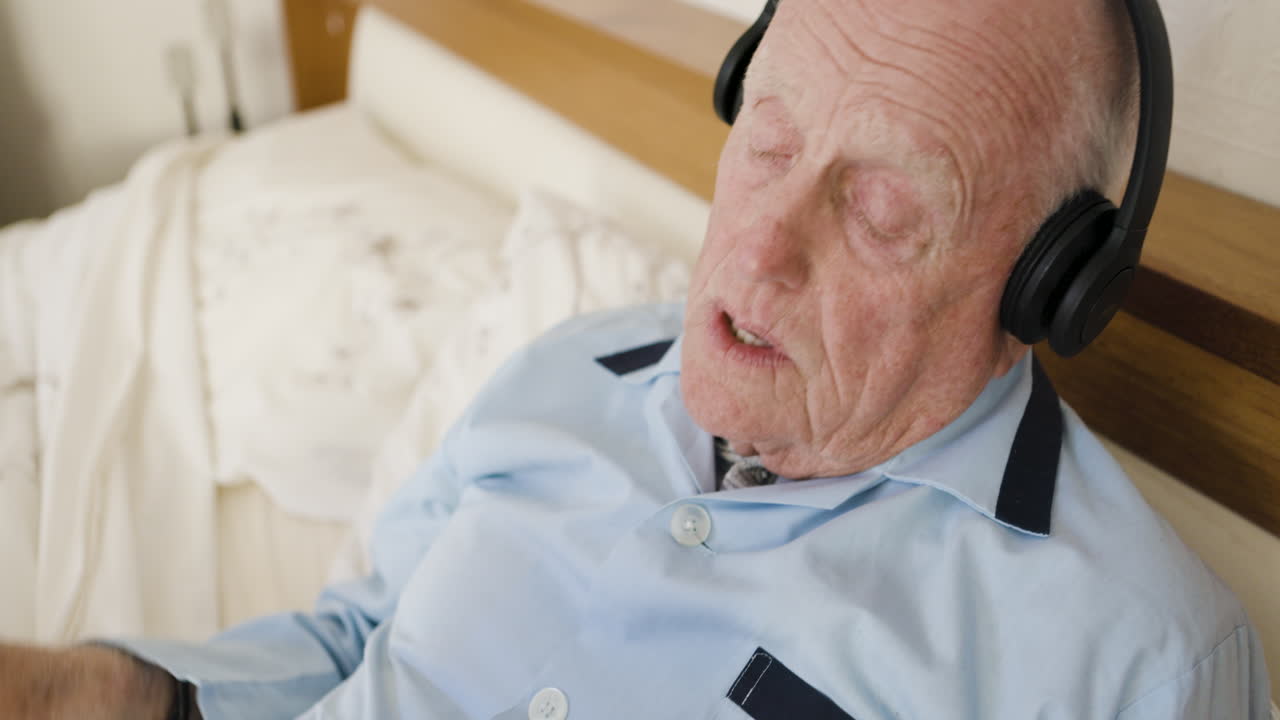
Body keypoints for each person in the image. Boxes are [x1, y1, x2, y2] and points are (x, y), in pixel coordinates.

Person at [0, 0, 1271, 717]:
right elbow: (360, 636)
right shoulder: (573, 367)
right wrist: (133, 696)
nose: (753, 253)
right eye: (765, 147)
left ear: (1053, 280)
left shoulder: (1136, 663)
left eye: (878, 212)